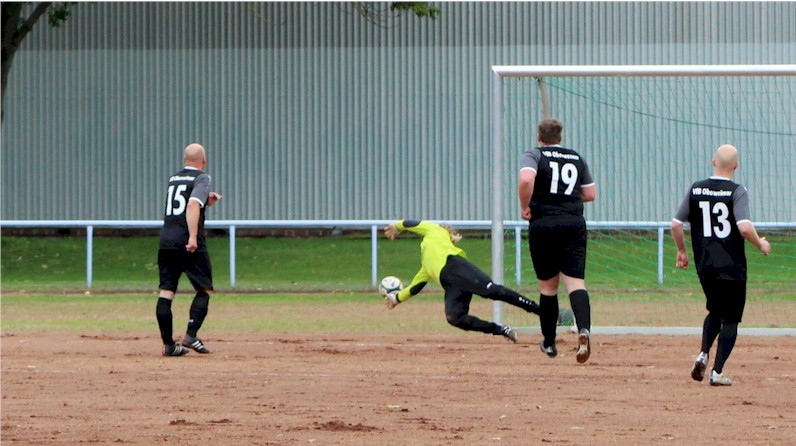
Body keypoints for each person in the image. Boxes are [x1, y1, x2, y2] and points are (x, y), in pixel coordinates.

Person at [671, 144, 771, 386]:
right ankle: (717, 372)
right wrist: (760, 243)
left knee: (715, 310)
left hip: (705, 264)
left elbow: (675, 224)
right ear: (736, 166)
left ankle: (703, 353)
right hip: (731, 265)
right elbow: (744, 227)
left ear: (713, 162)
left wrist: (682, 251)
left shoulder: (696, 188)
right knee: (731, 317)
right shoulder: (737, 191)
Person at [518, 118, 597, 363]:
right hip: (573, 223)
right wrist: (566, 199)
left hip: (544, 224)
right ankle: (584, 329)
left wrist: (525, 206)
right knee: (576, 283)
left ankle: (550, 343)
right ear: (560, 137)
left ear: (539, 137)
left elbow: (526, 180)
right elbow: (590, 193)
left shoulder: (534, 154)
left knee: (548, 288)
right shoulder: (576, 157)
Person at [383, 220, 540, 342]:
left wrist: (396, 226)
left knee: (493, 291)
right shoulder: (426, 265)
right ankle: (500, 330)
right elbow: (415, 287)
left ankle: (539, 310)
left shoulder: (435, 230)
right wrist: (396, 299)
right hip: (451, 286)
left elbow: (413, 223)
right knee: (454, 317)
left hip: (458, 269)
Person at [156, 143, 223, 356]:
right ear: (204, 160)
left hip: (167, 240)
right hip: (187, 240)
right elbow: (192, 204)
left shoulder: (174, 178)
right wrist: (193, 237)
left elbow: (186, 202)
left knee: (166, 292)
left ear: (185, 160)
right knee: (204, 289)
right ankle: (190, 335)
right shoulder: (202, 177)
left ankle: (169, 345)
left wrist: (206, 201)